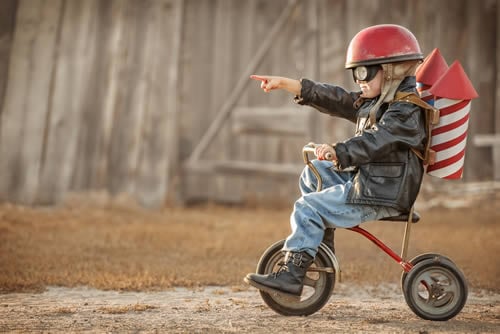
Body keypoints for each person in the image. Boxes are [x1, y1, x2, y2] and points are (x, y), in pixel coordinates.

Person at [244, 24, 429, 298]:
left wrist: (338, 150)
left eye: (364, 71)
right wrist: (289, 84)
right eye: (355, 73)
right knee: (314, 172)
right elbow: (339, 99)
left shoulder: (405, 109)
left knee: (308, 206)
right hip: (376, 183)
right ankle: (320, 247)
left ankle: (293, 276)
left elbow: (377, 139)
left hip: (382, 193)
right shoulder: (381, 100)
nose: (359, 80)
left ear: (391, 69)